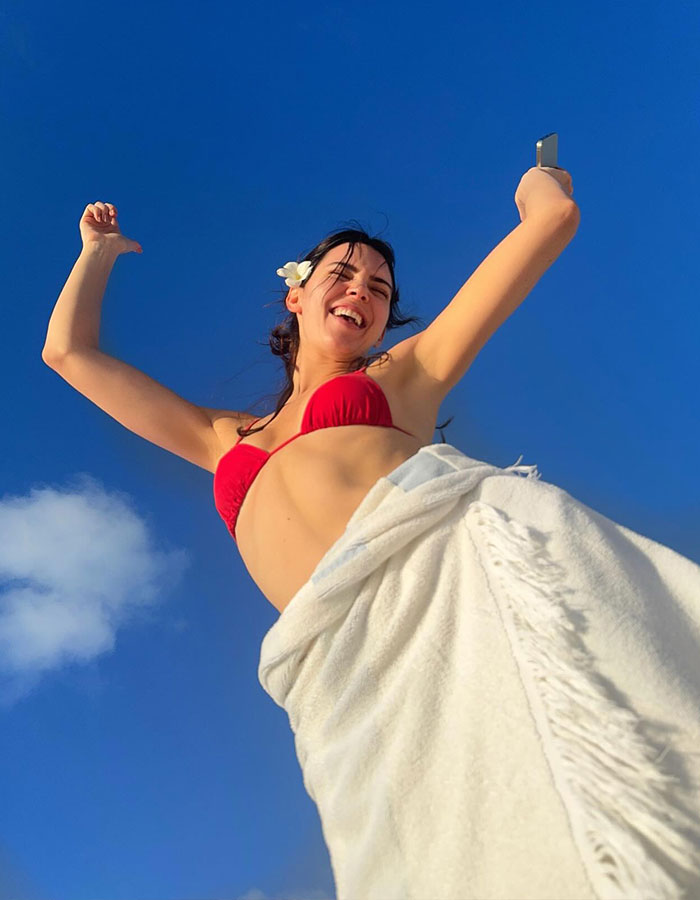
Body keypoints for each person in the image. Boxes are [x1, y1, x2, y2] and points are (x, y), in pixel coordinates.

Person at [42, 173, 700, 899]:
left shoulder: (404, 373)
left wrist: (537, 190)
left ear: (386, 321)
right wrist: (97, 252)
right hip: (335, 664)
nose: (362, 289)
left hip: (445, 590)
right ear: (297, 296)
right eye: (343, 274)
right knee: (419, 859)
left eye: (380, 288)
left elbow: (552, 222)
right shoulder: (220, 435)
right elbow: (70, 354)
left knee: (580, 771)